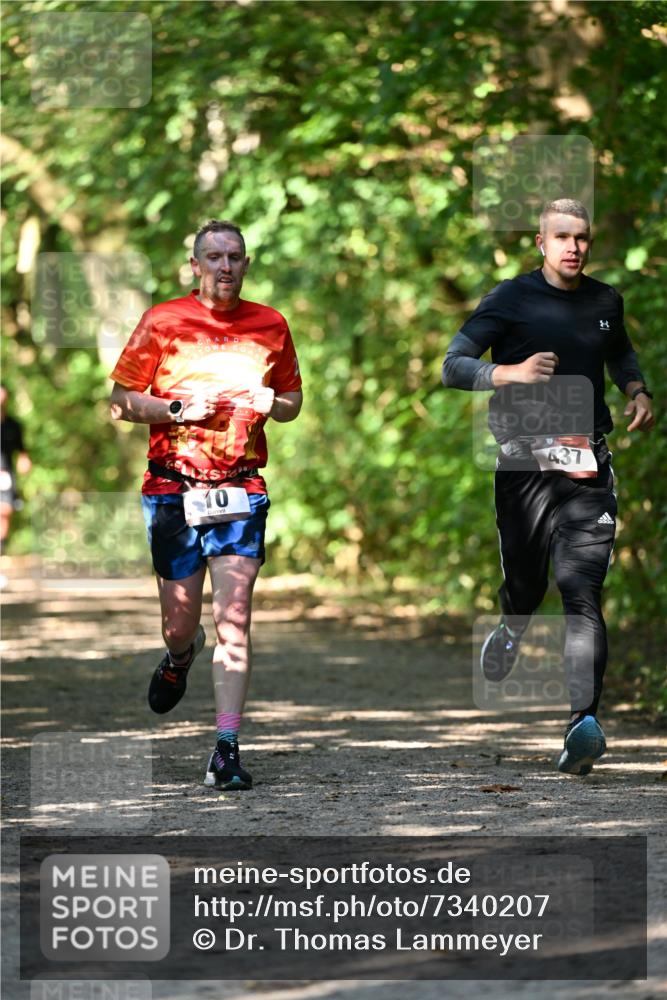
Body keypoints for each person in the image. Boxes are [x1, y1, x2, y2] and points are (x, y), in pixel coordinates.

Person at [441, 198, 654, 775]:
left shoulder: (606, 300)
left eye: (582, 237)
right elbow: (453, 364)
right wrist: (505, 373)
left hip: (588, 465)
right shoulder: (511, 298)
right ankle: (513, 625)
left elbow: (619, 350)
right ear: (541, 242)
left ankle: (582, 721)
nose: (574, 247)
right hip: (523, 468)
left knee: (580, 589)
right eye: (561, 236)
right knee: (529, 585)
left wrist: (636, 389)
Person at [109, 220, 302, 790]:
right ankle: (179, 656)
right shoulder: (163, 321)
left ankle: (226, 747)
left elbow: (292, 402)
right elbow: (120, 402)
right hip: (174, 487)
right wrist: (174, 411)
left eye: (234, 257)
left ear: (246, 265)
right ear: (195, 266)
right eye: (213, 257)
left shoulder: (270, 324)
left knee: (235, 620)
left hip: (241, 486)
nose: (225, 266)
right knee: (180, 623)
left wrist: (276, 402)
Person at [0, 384, 32, 549]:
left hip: (5, 474)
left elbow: (22, 451)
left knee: (5, 512)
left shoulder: (14, 426)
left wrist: (24, 460)